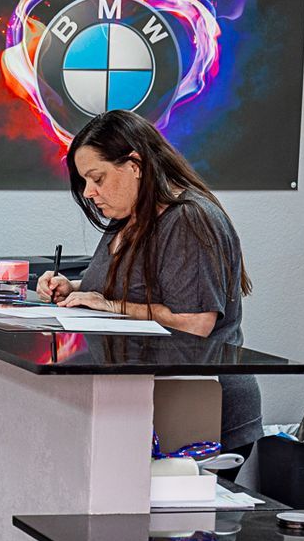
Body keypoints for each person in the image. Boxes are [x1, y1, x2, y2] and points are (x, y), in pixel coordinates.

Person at [34, 110, 262, 457]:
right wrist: (74, 288)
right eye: (84, 182)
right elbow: (127, 284)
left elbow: (195, 323)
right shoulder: (127, 216)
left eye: (97, 178)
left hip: (201, 406)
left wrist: (111, 306)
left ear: (135, 164)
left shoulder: (188, 219)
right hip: (150, 399)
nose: (89, 192)